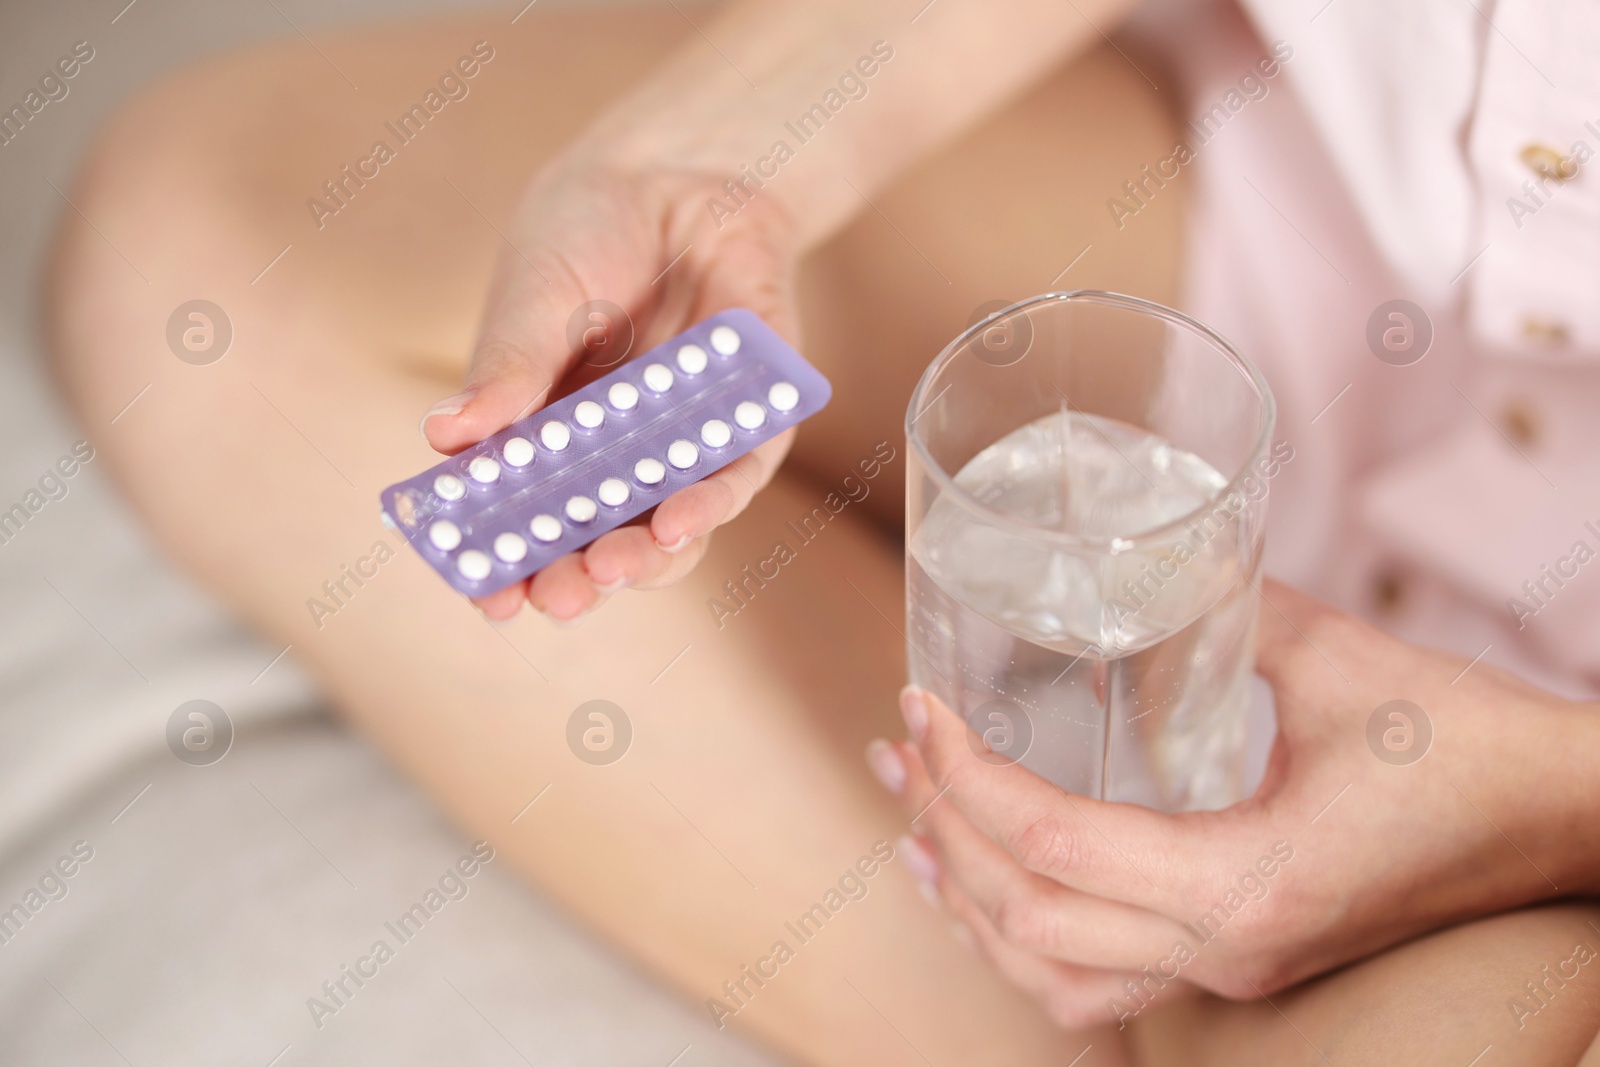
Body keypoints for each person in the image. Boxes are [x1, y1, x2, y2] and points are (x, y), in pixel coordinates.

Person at [46, 0, 1600, 1062]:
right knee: (207, 277)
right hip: (1344, 227)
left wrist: (1549, 801)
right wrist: (716, 157)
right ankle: (1122, 972)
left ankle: (1194, 997)